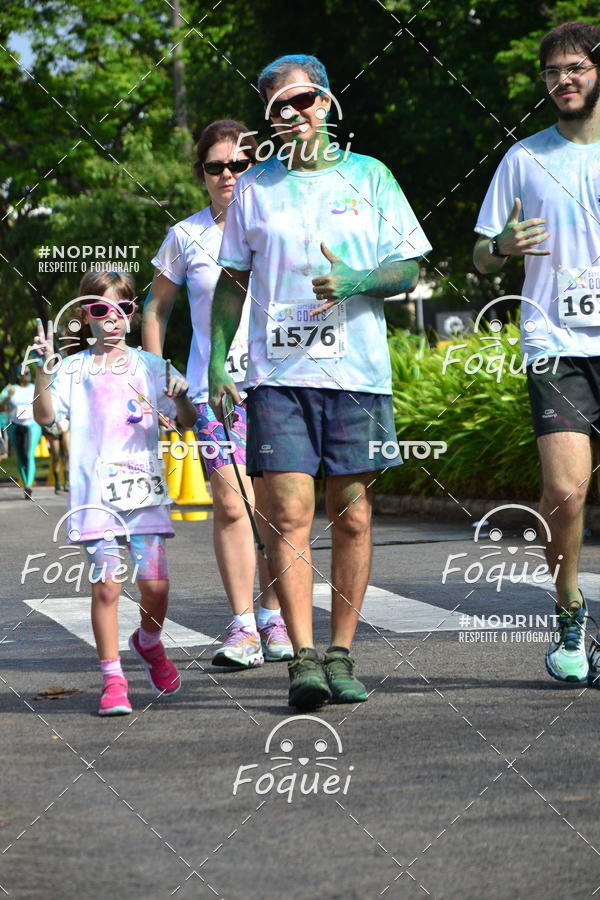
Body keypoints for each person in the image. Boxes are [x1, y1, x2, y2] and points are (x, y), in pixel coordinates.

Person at [208, 55, 431, 710]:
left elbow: (409, 267)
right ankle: (302, 659)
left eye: (304, 100)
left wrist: (358, 281)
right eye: (280, 106)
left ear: (327, 102)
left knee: (354, 517)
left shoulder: (372, 177)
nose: (295, 113)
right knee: (287, 516)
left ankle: (342, 652)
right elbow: (232, 282)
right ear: (270, 119)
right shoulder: (255, 189)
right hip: (279, 374)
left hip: (357, 373)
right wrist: (217, 359)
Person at [473, 22, 600, 684]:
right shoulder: (524, 159)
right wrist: (501, 249)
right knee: (564, 491)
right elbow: (477, 254)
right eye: (552, 73)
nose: (563, 81)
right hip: (556, 342)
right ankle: (569, 609)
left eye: (575, 68)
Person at [144, 119, 292, 668]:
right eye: (215, 166)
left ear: (256, 166)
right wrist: (162, 377)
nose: (227, 174)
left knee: (277, 507)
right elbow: (155, 308)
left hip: (280, 382)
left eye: (238, 163)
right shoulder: (187, 235)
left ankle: (275, 614)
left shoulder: (280, 224)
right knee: (232, 502)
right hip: (214, 389)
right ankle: (242, 625)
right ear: (202, 174)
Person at [32, 270, 197, 716]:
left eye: (123, 309)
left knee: (156, 585)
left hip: (143, 492)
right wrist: (43, 372)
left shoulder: (151, 366)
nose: (112, 318)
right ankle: (113, 679)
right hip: (94, 497)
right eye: (101, 309)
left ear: (131, 314)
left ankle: (148, 642)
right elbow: (47, 417)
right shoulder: (73, 368)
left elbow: (185, 420)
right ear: (85, 315)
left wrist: (181, 398)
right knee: (107, 585)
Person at [0, 366, 42, 499]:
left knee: (29, 454)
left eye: (29, 373)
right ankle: (25, 484)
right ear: (19, 375)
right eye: (25, 373)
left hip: (32, 425)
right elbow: (1, 407)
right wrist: (8, 397)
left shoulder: (35, 388)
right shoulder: (10, 389)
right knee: (20, 457)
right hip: (14, 425)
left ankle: (29, 484)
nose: (28, 375)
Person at [42, 418, 69, 494]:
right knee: (55, 455)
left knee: (66, 454)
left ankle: (67, 481)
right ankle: (57, 482)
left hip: (65, 426)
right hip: (52, 428)